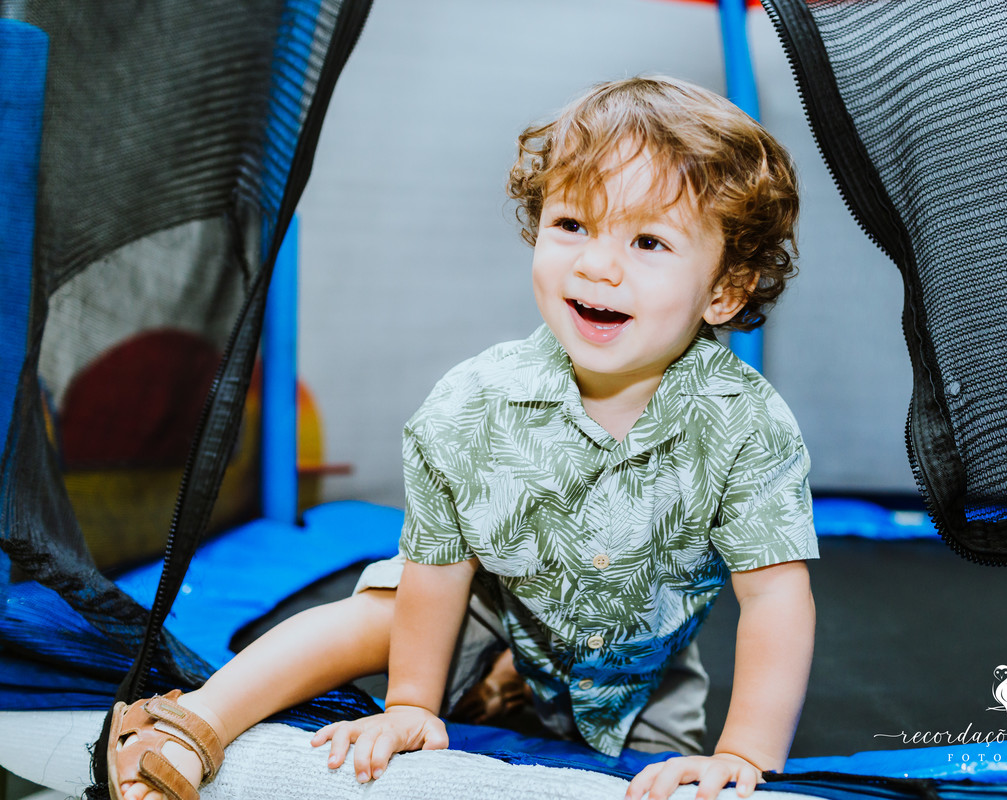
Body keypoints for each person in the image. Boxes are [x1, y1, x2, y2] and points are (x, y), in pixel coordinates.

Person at [107, 75, 817, 800]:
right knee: (385, 608)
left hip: (639, 670)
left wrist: (746, 755)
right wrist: (411, 705)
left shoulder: (747, 425)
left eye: (648, 241)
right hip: (492, 605)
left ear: (724, 290)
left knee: (666, 783)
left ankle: (508, 684)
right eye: (572, 224)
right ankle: (192, 723)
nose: (597, 265)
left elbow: (774, 598)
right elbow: (437, 570)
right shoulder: (474, 404)